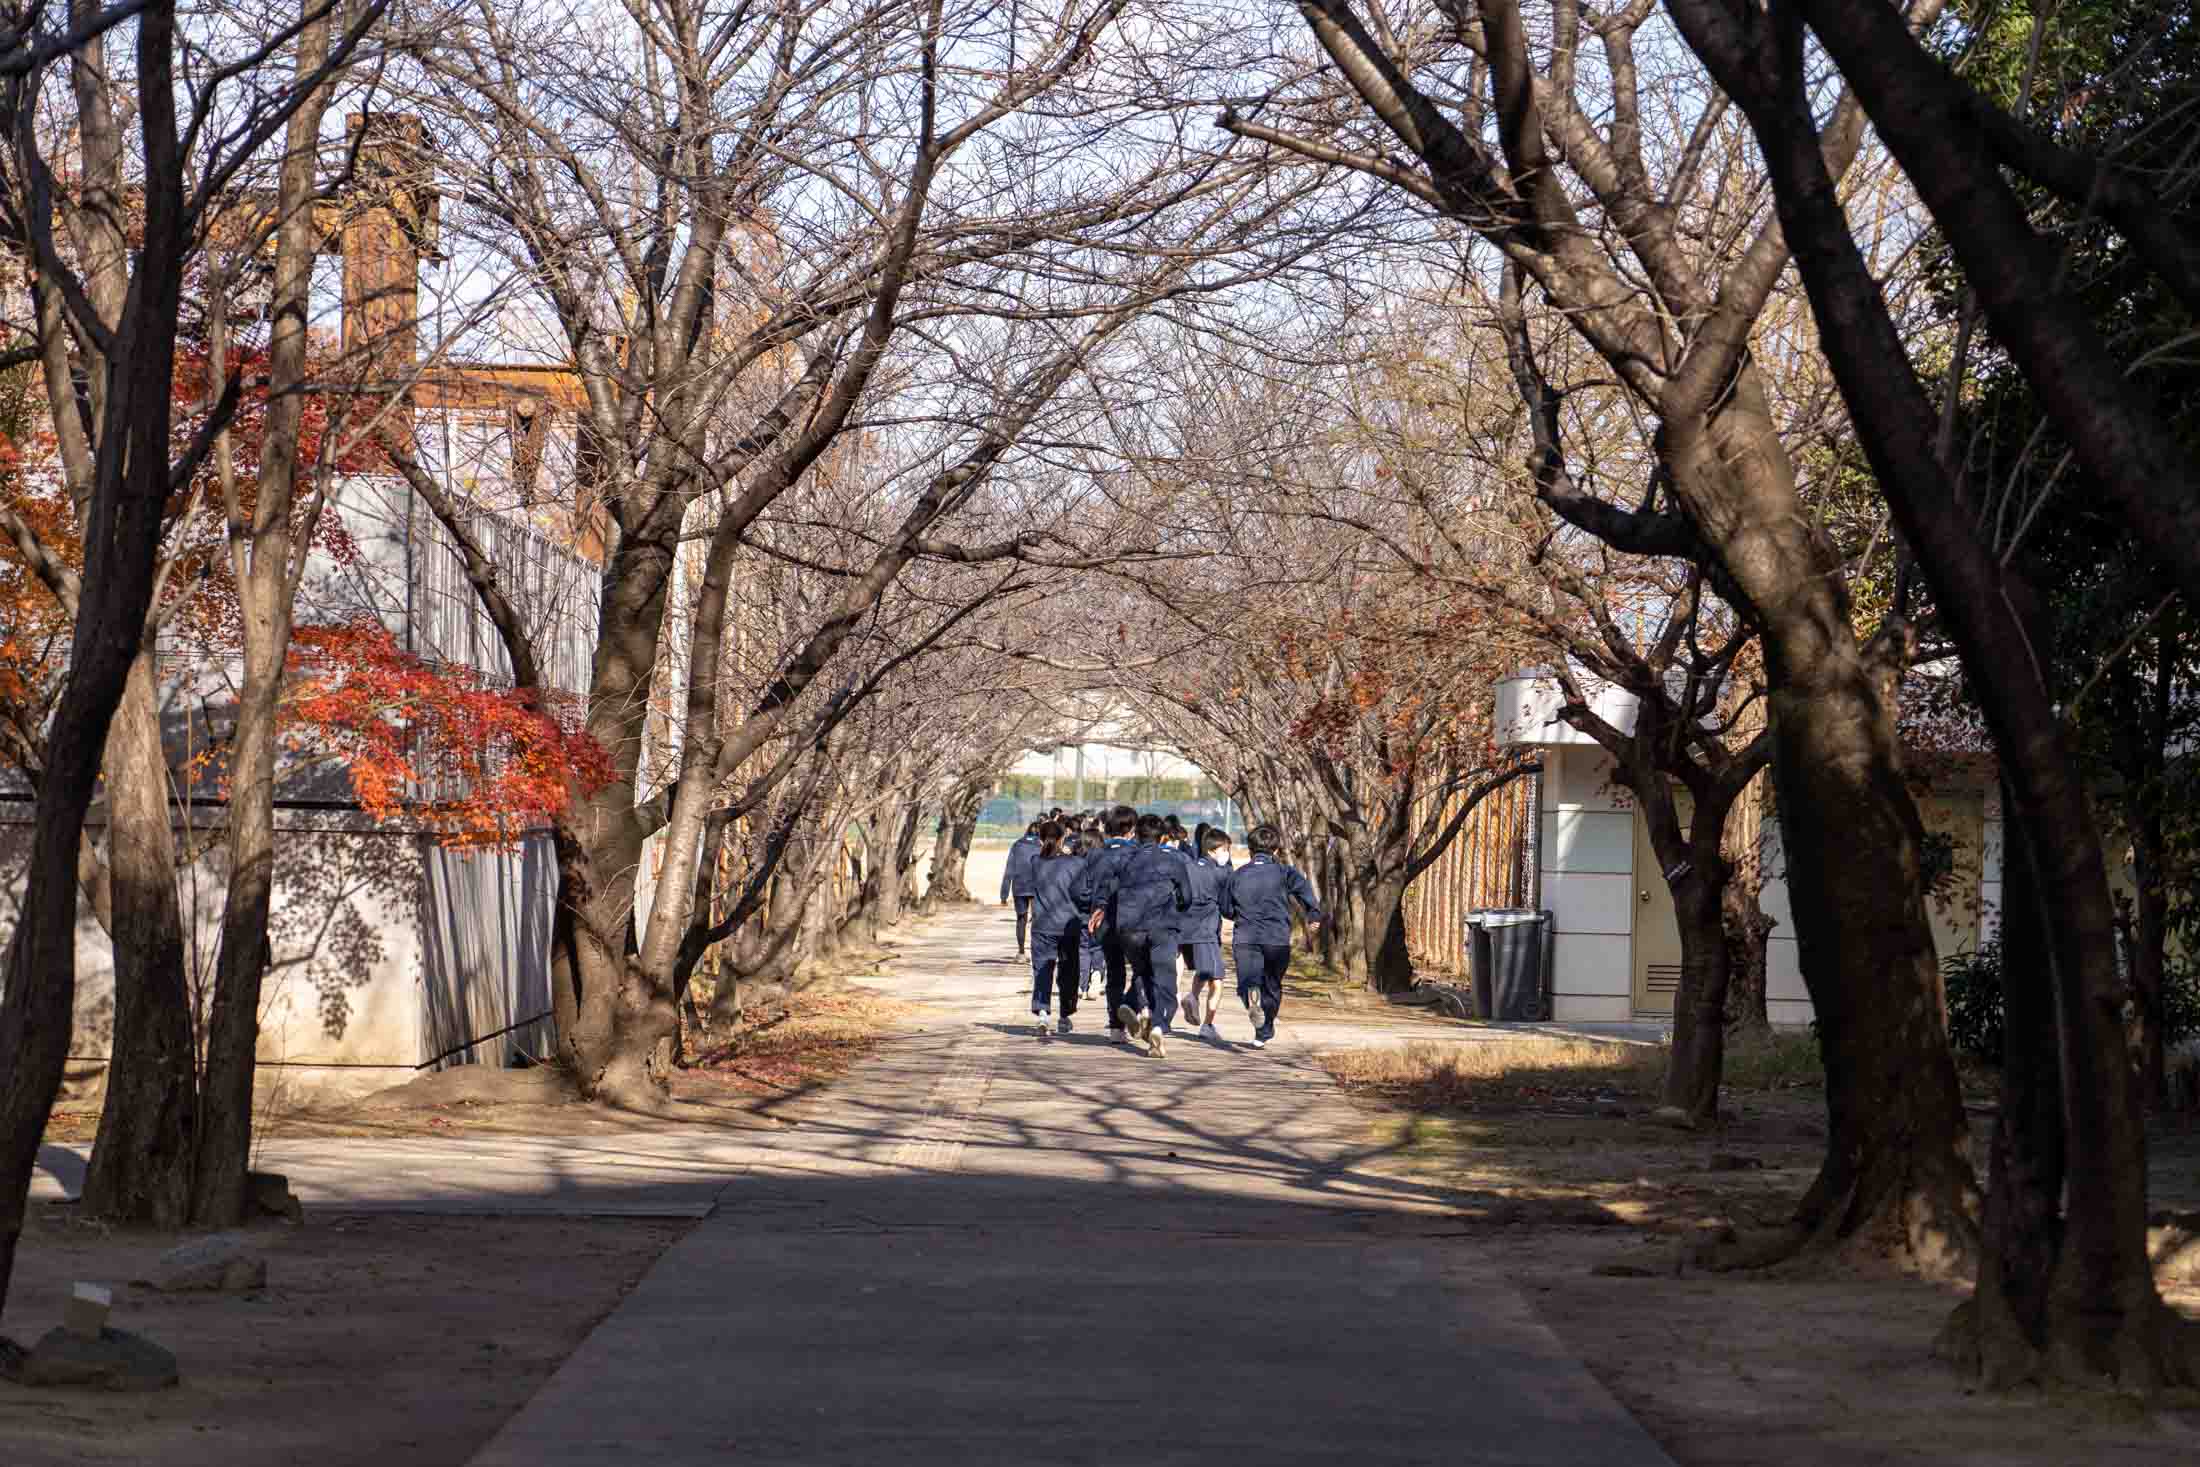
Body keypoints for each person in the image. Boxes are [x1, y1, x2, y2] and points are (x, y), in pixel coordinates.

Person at [1220, 824, 1324, 1049]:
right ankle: (1265, 1028)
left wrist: (1240, 914)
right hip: (1276, 938)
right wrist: (1313, 915)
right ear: (1276, 850)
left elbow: (1226, 908)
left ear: (1250, 849)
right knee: (1273, 985)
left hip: (1246, 937)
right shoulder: (1285, 873)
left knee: (1248, 984)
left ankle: (1256, 1013)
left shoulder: (1237, 875)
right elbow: (1304, 892)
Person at [1103, 813, 1191, 1055]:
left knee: (1142, 971)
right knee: (1165, 980)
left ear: (1137, 836)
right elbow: (1188, 896)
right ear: (1162, 837)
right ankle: (1159, 1026)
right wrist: (1178, 910)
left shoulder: (1125, 859)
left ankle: (1131, 1004)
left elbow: (1108, 888)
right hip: (1162, 926)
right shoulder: (1173, 859)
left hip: (1129, 928)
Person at [1071, 805, 1142, 1042]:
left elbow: (1077, 888)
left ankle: (1115, 1028)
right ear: (1131, 829)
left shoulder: (1096, 855)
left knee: (1114, 973)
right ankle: (1134, 1005)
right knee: (1144, 970)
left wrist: (1092, 908)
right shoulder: (1138, 853)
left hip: (1105, 922)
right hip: (1135, 922)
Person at [1026, 821, 1083, 1036]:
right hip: (1069, 925)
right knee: (1069, 971)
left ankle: (1042, 1013)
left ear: (1040, 839)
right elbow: (1083, 894)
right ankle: (1064, 1016)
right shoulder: (1076, 864)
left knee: (1042, 969)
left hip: (1042, 925)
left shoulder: (1034, 862)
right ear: (1063, 838)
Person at [1179, 826, 1234, 1039]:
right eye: (1225, 849)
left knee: (1204, 971)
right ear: (1213, 851)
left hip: (1184, 930)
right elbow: (1228, 904)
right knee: (1217, 980)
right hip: (1206, 930)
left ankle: (1192, 997)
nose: (1226, 854)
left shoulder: (1188, 866)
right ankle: (1207, 1025)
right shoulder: (1221, 873)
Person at [1000, 820, 1041, 956]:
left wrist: (1004, 895)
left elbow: (1009, 869)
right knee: (1038, 919)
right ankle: (1036, 951)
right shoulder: (1041, 845)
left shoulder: (1017, 845)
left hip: (1019, 886)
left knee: (1021, 919)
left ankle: (1021, 952)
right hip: (1036, 887)